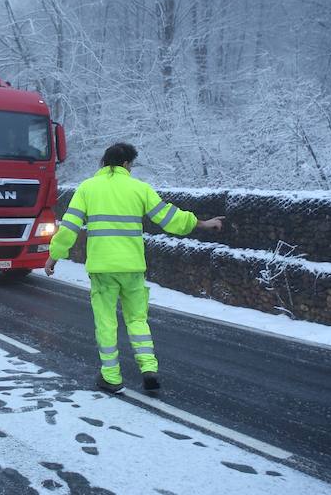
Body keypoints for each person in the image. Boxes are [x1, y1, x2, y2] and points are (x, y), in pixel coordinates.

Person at [44, 143, 224, 394]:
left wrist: (54, 256)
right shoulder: (139, 189)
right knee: (137, 319)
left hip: (102, 269)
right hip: (132, 267)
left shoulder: (86, 188)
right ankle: (148, 367)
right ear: (127, 163)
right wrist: (204, 223)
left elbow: (69, 228)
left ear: (105, 162)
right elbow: (169, 218)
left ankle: (111, 377)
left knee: (106, 322)